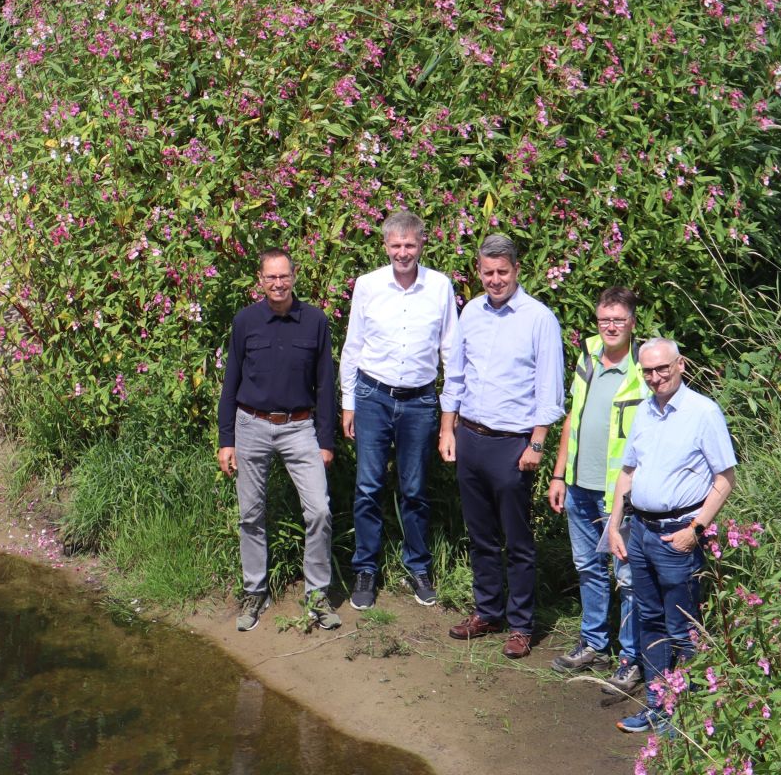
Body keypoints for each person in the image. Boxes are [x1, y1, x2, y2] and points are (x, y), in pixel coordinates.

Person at [439, 233, 565, 658]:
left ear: (516, 271)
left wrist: (537, 445)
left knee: (517, 540)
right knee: (481, 535)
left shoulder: (539, 319)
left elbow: (549, 389)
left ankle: (522, 624)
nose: (495, 280)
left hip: (513, 445)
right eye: (488, 272)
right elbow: (455, 376)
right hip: (470, 437)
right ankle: (488, 611)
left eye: (503, 272)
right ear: (479, 271)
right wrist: (447, 430)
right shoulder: (471, 312)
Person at [606, 338, 738, 734]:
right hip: (641, 531)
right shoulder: (645, 410)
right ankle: (657, 705)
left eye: (662, 368)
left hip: (678, 535)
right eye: (647, 371)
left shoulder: (702, 412)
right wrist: (614, 526)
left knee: (682, 625)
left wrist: (695, 531)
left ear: (680, 365)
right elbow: (628, 472)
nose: (655, 377)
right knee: (649, 621)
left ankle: (693, 712)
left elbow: (725, 478)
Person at [339, 210, 460, 611]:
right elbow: (352, 347)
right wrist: (348, 402)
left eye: (410, 245)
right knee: (368, 487)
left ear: (422, 244)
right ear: (386, 246)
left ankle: (418, 566)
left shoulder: (440, 286)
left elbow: (451, 353)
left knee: (414, 489)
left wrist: (448, 418)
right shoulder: (368, 285)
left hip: (420, 401)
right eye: (396, 246)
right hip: (373, 397)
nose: (403, 252)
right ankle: (366, 569)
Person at [217, 248, 340, 631]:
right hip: (250, 425)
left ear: (294, 276)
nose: (278, 283)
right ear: (260, 280)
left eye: (284, 276)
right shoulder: (246, 321)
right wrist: (227, 439)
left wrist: (326, 440)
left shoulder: (315, 322)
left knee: (319, 510)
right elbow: (230, 382)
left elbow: (326, 387)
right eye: (270, 277)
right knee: (251, 514)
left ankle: (317, 593)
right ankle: (255, 591)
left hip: (300, 428)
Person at [545, 286, 646, 690]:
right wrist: (558, 476)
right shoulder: (588, 358)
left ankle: (630, 657)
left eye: (618, 319)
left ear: (632, 323)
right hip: (579, 485)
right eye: (604, 319)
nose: (610, 326)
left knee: (627, 577)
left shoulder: (643, 366)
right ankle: (593, 643)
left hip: (619, 493)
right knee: (588, 567)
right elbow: (573, 418)